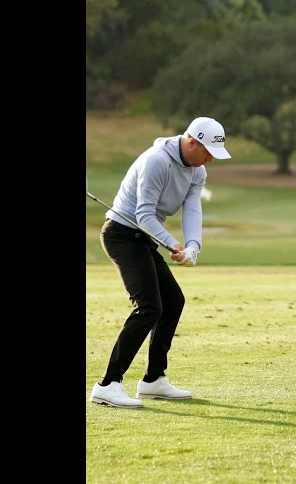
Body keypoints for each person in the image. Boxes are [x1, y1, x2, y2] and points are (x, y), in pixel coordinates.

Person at [89, 116, 232, 408]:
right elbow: (143, 214)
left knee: (173, 301)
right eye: (206, 152)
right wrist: (172, 242)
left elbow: (192, 210)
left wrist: (193, 246)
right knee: (149, 307)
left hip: (143, 238)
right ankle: (108, 384)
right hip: (121, 234)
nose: (209, 160)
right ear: (191, 141)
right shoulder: (157, 161)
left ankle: (154, 380)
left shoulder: (197, 170)